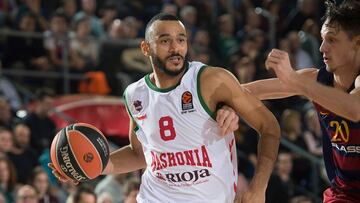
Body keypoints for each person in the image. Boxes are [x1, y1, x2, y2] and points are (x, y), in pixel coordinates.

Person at [50, 13, 280, 203]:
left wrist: (258, 187)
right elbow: (139, 155)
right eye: (164, 40)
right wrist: (89, 164)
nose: (175, 48)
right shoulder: (134, 94)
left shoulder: (211, 80)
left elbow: (269, 126)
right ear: (146, 48)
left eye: (181, 39)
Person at [243, 1, 360, 202]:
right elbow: (248, 91)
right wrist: (222, 101)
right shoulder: (317, 79)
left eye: (332, 40)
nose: (323, 47)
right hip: (343, 194)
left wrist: (295, 80)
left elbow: (354, 108)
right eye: (322, 39)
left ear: (357, 42)